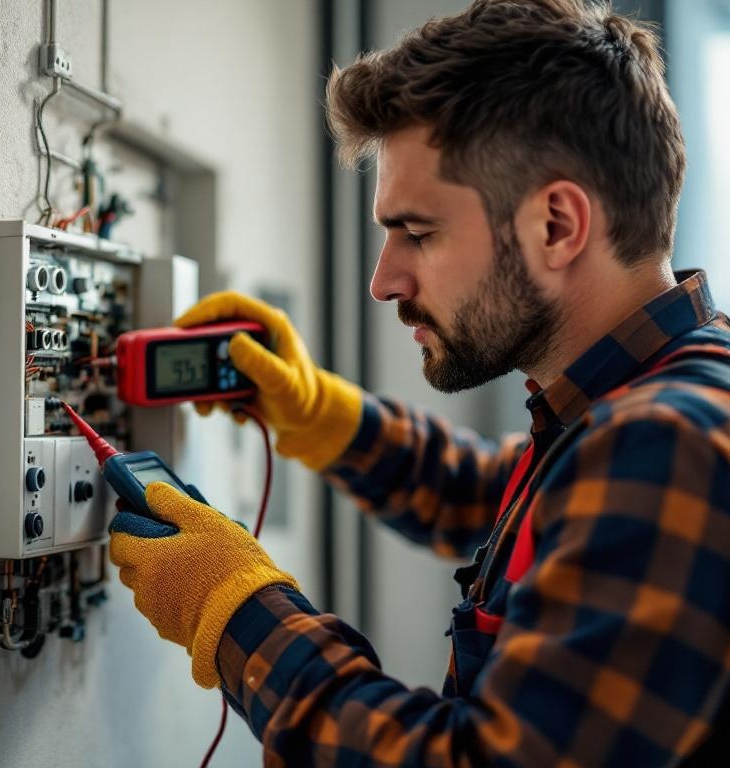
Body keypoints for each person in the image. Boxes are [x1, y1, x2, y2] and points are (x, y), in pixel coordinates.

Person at [109, 0, 730, 764]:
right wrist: (316, 411)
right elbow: (487, 493)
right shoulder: (648, 394)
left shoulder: (668, 446)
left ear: (558, 226)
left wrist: (234, 608)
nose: (384, 280)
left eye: (418, 232)